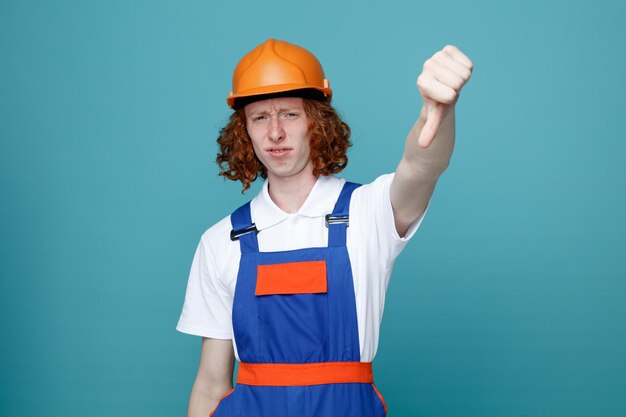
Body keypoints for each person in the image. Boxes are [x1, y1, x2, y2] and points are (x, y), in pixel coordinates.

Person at [177, 38, 473, 417]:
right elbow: (210, 385)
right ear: (245, 131)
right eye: (260, 117)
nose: (275, 133)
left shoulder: (368, 213)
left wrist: (438, 111)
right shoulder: (221, 241)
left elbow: (421, 167)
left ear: (316, 122)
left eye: (289, 114)